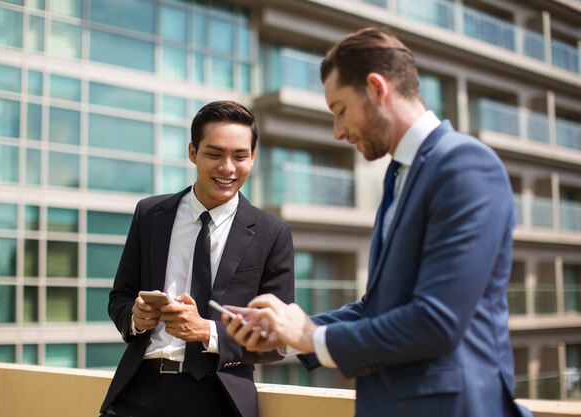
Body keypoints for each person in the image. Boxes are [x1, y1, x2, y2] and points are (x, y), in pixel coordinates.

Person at [223, 28, 533, 417]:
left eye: (339, 110)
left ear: (376, 88)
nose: (338, 131)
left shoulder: (464, 165)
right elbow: (381, 306)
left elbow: (437, 321)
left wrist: (311, 336)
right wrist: (288, 333)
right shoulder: (399, 176)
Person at [100, 100, 295, 417]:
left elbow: (277, 337)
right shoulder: (150, 214)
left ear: (253, 158)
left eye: (240, 156)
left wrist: (207, 331)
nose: (228, 168)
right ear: (193, 152)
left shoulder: (272, 233)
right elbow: (119, 296)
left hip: (217, 398)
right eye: (215, 154)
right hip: (137, 392)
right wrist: (135, 317)